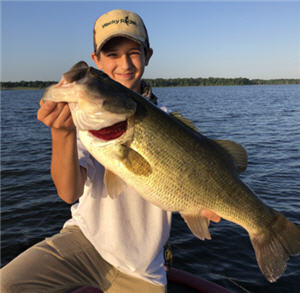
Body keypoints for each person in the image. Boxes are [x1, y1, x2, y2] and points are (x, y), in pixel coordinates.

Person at [1, 9, 220, 293]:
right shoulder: (87, 119)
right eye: (112, 54)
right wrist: (62, 132)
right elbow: (69, 193)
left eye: (133, 52)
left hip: (143, 269)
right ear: (97, 60)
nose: (124, 64)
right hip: (85, 242)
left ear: (148, 56)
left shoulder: (168, 123)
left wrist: (205, 202)